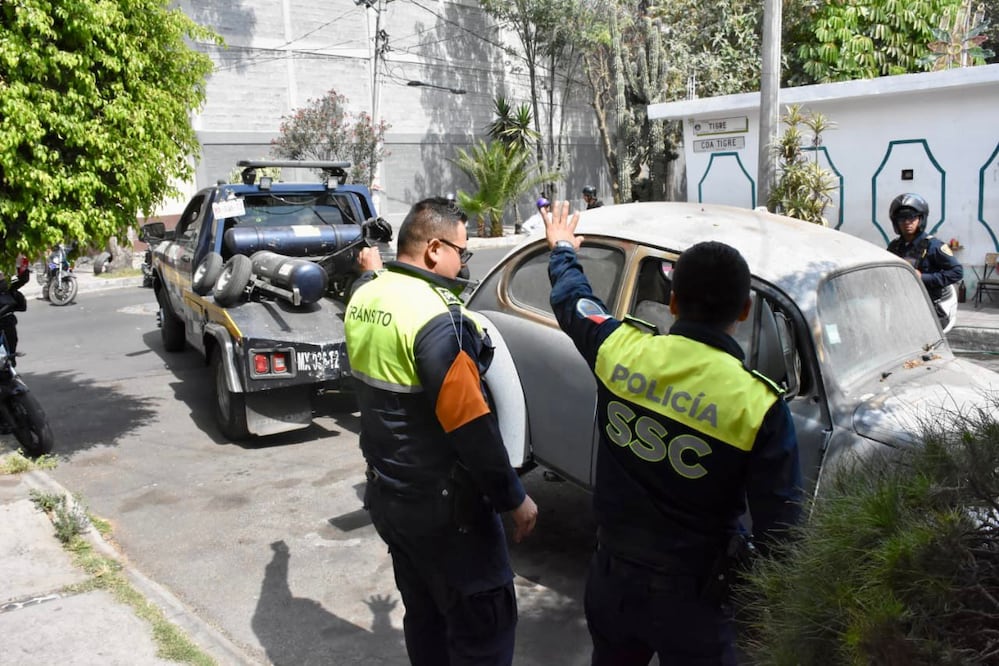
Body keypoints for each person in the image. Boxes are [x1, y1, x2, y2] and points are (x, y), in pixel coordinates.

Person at [542, 201, 802, 665]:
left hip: (611, 581)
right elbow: (781, 536)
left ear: (673, 302)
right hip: (695, 601)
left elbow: (572, 300)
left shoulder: (620, 349)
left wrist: (562, 247)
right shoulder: (759, 406)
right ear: (743, 310)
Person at [344, 197, 538, 666]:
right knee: (483, 630)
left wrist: (372, 268)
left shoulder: (366, 296)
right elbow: (471, 426)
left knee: (426, 619)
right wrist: (514, 497)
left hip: (392, 501)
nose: (465, 262)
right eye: (462, 252)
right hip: (450, 516)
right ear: (434, 249)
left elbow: (373, 281)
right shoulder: (437, 319)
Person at [886, 193, 963, 333]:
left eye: (911, 217)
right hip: (900, 308)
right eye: (901, 218)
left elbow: (956, 272)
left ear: (920, 219)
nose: (907, 222)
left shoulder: (933, 246)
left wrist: (923, 277)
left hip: (927, 309)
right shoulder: (894, 247)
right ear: (895, 222)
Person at [0, 257, 30, 363]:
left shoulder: (7, 284)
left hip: (6, 321)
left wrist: (23, 266)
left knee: (9, 357)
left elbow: (22, 278)